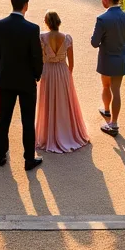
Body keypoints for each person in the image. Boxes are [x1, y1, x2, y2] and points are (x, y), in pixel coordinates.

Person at [0, 0, 43, 171]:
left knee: (4, 118)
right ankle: (29, 159)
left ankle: (1, 154)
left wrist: (2, 71)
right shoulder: (32, 28)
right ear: (25, 5)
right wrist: (37, 74)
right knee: (27, 120)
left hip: (6, 79)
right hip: (27, 80)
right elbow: (36, 56)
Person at [36, 10, 90, 153]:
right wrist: (67, 75)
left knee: (47, 101)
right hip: (62, 71)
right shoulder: (67, 38)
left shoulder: (41, 37)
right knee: (65, 102)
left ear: (46, 23)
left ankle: (49, 134)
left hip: (47, 71)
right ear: (59, 22)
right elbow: (71, 63)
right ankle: (66, 131)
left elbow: (39, 58)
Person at [91, 0, 125, 137]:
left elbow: (94, 43)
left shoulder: (102, 19)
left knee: (106, 86)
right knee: (116, 91)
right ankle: (113, 122)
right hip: (120, 58)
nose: (102, 1)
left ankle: (107, 111)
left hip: (106, 58)